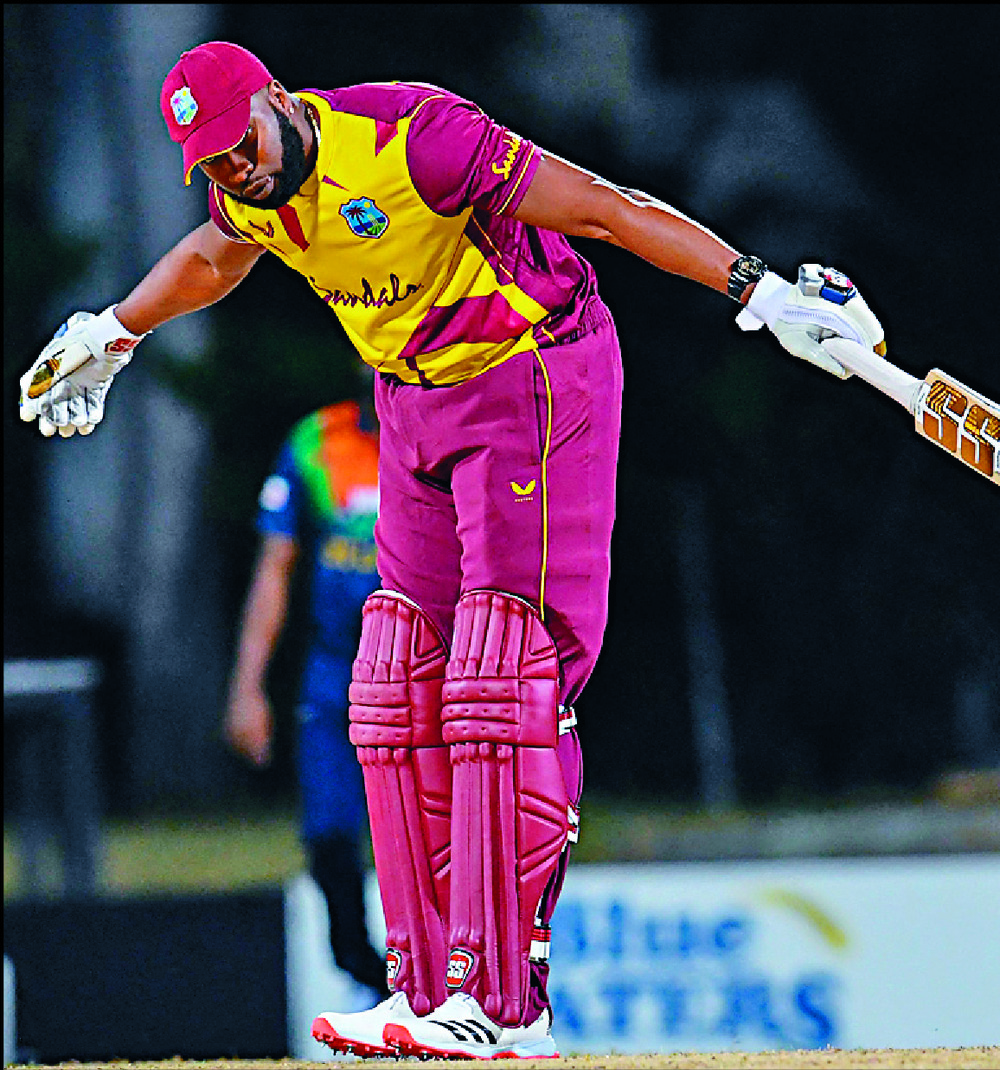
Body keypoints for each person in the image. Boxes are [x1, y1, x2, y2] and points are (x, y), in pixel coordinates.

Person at [19, 41, 885, 1060]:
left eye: (236, 144)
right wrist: (113, 330)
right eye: (209, 163)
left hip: (533, 378)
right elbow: (214, 257)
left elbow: (602, 205)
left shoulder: (411, 136)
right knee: (397, 680)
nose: (231, 171)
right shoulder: (250, 193)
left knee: (502, 674)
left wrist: (757, 288)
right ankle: (425, 988)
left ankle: (507, 1003)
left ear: (275, 101)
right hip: (414, 405)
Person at [223, 397, 389, 1005]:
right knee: (327, 833)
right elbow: (275, 567)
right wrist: (248, 687)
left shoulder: (446, 426)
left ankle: (446, 984)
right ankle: (365, 973)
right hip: (337, 674)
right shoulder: (316, 442)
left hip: (424, 672)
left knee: (435, 835)